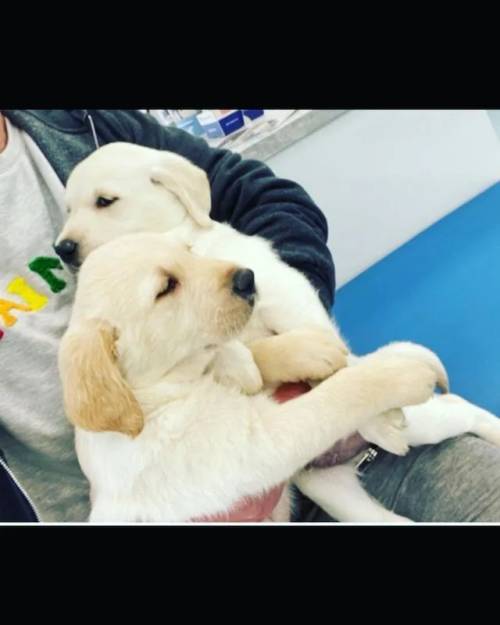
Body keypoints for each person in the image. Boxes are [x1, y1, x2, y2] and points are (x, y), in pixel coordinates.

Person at [0, 109, 499, 523]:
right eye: (168, 283)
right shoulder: (92, 355)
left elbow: (266, 199)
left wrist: (279, 342)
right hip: (160, 493)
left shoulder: (83, 125)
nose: (71, 235)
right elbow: (245, 449)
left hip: (318, 434)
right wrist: (368, 385)